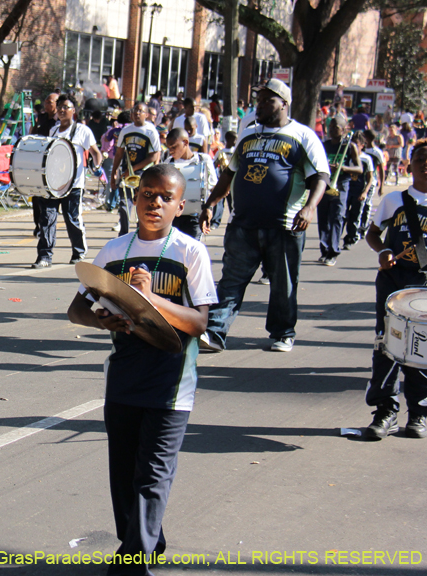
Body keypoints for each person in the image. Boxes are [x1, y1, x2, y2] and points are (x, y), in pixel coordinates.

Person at [67, 164, 216, 575]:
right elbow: (76, 308)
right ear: (135, 199)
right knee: (124, 477)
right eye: (147, 194)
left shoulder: (190, 252)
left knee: (152, 476)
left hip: (172, 383)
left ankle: (133, 562)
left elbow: (201, 322)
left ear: (179, 205)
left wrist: (152, 300)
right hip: (124, 377)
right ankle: (144, 540)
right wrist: (101, 319)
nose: (155, 203)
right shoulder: (115, 251)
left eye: (165, 197)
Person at [197, 78, 330, 354]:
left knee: (283, 283)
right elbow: (229, 174)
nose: (259, 105)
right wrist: (210, 203)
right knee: (231, 281)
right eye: (258, 100)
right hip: (243, 224)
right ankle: (215, 332)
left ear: (284, 103)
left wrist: (309, 208)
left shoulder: (303, 135)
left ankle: (283, 333)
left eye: (267, 100)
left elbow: (320, 176)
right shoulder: (248, 135)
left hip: (284, 225)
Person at [363, 139, 427, 440]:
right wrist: (382, 253)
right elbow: (373, 234)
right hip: (394, 284)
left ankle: (418, 414)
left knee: (422, 350)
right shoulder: (394, 200)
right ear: (409, 164)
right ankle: (385, 411)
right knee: (387, 346)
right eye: (421, 158)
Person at [32, 94, 102, 268]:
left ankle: (78, 251)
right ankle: (44, 256)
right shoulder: (53, 130)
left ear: (74, 111)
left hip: (73, 184)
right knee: (47, 218)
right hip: (53, 183)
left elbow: (95, 152)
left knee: (72, 218)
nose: (62, 110)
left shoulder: (82, 131)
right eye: (60, 107)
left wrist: (97, 164)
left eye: (66, 107)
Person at [316, 116, 361, 265]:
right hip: (325, 183)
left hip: (341, 184)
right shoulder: (324, 145)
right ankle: (324, 250)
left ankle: (333, 252)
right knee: (323, 218)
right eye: (331, 127)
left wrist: (343, 168)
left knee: (336, 217)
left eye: (336, 128)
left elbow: (359, 168)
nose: (332, 130)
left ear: (344, 129)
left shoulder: (350, 146)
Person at [111, 103, 161, 236]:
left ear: (146, 114)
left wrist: (133, 169)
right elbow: (119, 153)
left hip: (144, 173)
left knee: (142, 205)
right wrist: (113, 173)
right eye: (135, 111)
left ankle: (141, 233)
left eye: (140, 111)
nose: (137, 113)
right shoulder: (125, 131)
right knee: (124, 204)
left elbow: (154, 156)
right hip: (127, 173)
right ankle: (124, 234)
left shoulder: (151, 131)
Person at [164, 128, 217, 240]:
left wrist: (209, 209)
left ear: (185, 143)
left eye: (174, 147)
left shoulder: (204, 160)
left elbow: (213, 188)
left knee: (191, 251)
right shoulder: (168, 163)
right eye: (169, 148)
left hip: (195, 217)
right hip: (174, 217)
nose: (171, 151)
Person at [31, 93, 59, 237]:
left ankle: (47, 225)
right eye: (46, 101)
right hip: (38, 159)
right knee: (36, 195)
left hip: (53, 162)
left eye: (50, 102)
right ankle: (38, 225)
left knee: (49, 196)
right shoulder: (41, 118)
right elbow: (33, 133)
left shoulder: (60, 121)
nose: (47, 104)